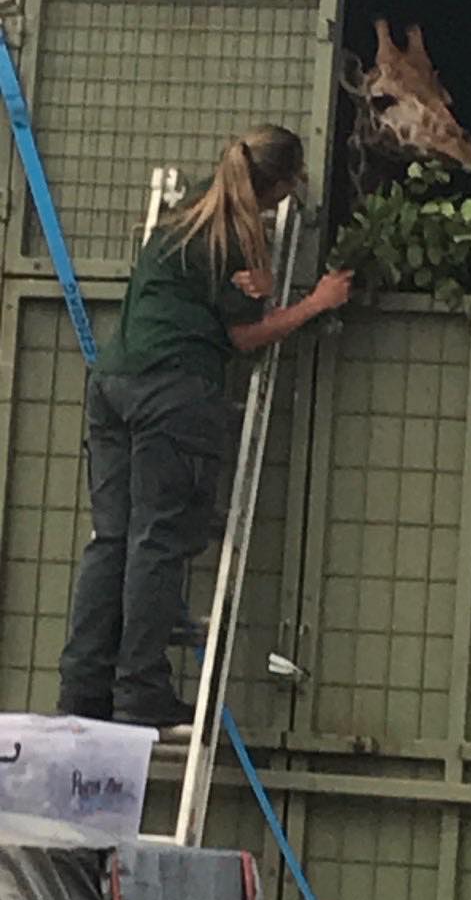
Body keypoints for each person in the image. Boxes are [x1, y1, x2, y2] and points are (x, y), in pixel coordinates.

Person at [57, 125, 352, 728]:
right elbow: (245, 336)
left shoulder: (189, 208)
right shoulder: (236, 240)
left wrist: (259, 286)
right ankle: (140, 692)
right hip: (174, 392)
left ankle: (83, 686)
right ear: (279, 188)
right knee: (157, 542)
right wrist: (314, 302)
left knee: (111, 538)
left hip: (113, 382)